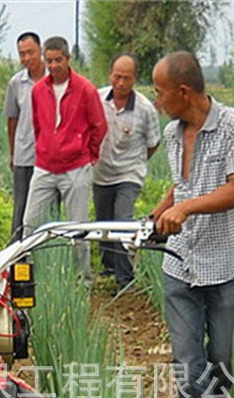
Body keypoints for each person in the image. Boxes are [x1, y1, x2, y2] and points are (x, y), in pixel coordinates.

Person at [151, 51, 234, 398]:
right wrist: (163, 209)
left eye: (161, 92)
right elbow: (181, 187)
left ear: (183, 91)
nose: (157, 100)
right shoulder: (173, 133)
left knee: (224, 357)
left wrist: (187, 208)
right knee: (186, 356)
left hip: (227, 263)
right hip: (180, 263)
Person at [22, 36, 107, 284]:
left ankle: (82, 280)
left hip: (76, 167)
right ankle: (29, 276)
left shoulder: (85, 89)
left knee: (77, 226)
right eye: (49, 60)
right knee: (31, 222)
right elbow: (38, 125)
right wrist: (44, 149)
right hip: (45, 166)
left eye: (58, 60)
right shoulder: (39, 90)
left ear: (68, 59)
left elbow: (98, 126)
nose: (53, 65)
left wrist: (88, 154)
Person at [93, 53, 160, 291]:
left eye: (126, 78)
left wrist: (137, 162)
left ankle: (125, 278)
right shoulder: (98, 98)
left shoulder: (145, 109)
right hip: (100, 172)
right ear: (110, 74)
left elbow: (153, 143)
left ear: (135, 79)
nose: (121, 83)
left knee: (122, 222)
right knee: (103, 221)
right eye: (117, 77)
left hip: (128, 175)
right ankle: (109, 264)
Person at [4, 32, 46, 241]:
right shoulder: (16, 83)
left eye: (31, 52)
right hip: (24, 154)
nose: (27, 58)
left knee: (48, 208)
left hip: (51, 158)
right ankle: (17, 254)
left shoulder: (54, 79)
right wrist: (13, 153)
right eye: (22, 54)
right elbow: (12, 120)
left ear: (40, 51)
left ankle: (45, 253)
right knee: (21, 206)